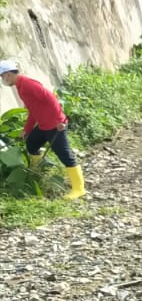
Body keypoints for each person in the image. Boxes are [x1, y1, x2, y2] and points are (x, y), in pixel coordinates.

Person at [0, 61, 84, 199]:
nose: (2, 80)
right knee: (31, 144)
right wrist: (26, 130)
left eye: (2, 76)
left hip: (55, 126)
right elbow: (33, 111)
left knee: (65, 155)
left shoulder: (28, 84)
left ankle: (79, 189)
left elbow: (51, 98)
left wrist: (59, 121)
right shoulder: (20, 87)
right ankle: (39, 170)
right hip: (43, 125)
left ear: (8, 74)